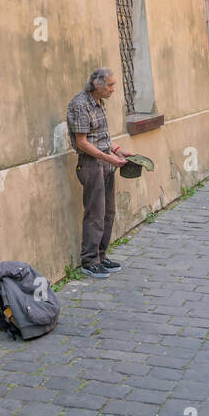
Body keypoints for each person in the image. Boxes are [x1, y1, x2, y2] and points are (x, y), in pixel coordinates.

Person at [66, 69, 131, 277]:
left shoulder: (99, 104)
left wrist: (118, 150)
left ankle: (101, 256)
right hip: (91, 164)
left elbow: (101, 137)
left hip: (105, 161)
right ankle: (89, 260)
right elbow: (82, 142)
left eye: (113, 85)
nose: (113, 90)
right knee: (95, 212)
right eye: (109, 85)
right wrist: (108, 158)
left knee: (108, 211)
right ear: (96, 84)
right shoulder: (80, 105)